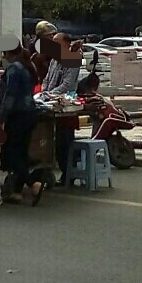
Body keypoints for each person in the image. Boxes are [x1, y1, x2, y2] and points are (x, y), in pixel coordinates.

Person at [0, 37, 44, 206]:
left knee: (11, 153)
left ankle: (33, 184)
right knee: (22, 152)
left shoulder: (14, 68)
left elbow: (10, 95)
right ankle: (17, 191)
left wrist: (2, 116)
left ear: (7, 52)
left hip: (17, 115)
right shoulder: (27, 66)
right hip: (30, 113)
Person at [42, 32, 83, 185]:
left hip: (66, 104)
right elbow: (47, 79)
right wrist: (44, 92)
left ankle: (68, 174)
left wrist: (50, 94)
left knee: (65, 141)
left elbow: (67, 84)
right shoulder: (54, 60)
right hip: (50, 101)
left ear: (66, 44)